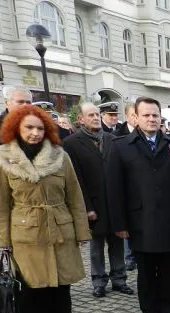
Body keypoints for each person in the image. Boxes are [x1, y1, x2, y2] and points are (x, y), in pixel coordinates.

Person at [0, 105, 91, 313]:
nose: (35, 133)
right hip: (26, 233)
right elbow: (0, 202)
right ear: (16, 128)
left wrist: (81, 231)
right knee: (35, 288)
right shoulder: (3, 158)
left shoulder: (60, 156)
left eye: (40, 128)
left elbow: (75, 197)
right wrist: (3, 238)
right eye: (29, 127)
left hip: (60, 229)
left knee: (61, 287)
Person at [106, 97, 170, 313]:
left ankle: (168, 308)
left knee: (167, 268)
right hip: (140, 220)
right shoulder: (121, 146)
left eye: (155, 115)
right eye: (146, 115)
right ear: (136, 117)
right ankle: (149, 310)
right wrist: (119, 223)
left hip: (169, 218)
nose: (151, 119)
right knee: (145, 269)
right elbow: (114, 189)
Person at [63, 102, 133, 298]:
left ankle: (119, 279)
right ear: (81, 119)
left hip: (114, 201)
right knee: (96, 245)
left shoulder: (112, 139)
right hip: (93, 203)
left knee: (117, 241)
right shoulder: (71, 143)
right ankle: (99, 280)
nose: (95, 118)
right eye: (90, 115)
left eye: (97, 114)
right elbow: (75, 179)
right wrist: (86, 207)